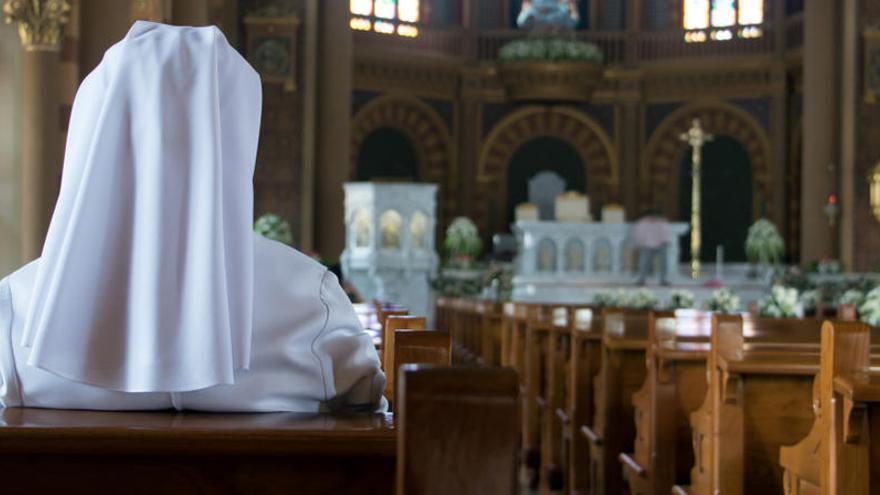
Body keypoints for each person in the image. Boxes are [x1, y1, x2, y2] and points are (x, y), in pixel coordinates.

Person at [0, 21, 385, 412]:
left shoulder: (17, 314)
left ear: (94, 129)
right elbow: (370, 409)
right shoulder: (312, 301)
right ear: (236, 136)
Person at [633, 209, 671, 286]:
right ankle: (641, 279)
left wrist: (665, 241)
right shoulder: (642, 223)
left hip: (660, 245)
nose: (653, 218)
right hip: (647, 245)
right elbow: (639, 234)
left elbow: (665, 232)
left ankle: (663, 280)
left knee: (663, 264)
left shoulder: (661, 222)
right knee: (644, 263)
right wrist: (639, 243)